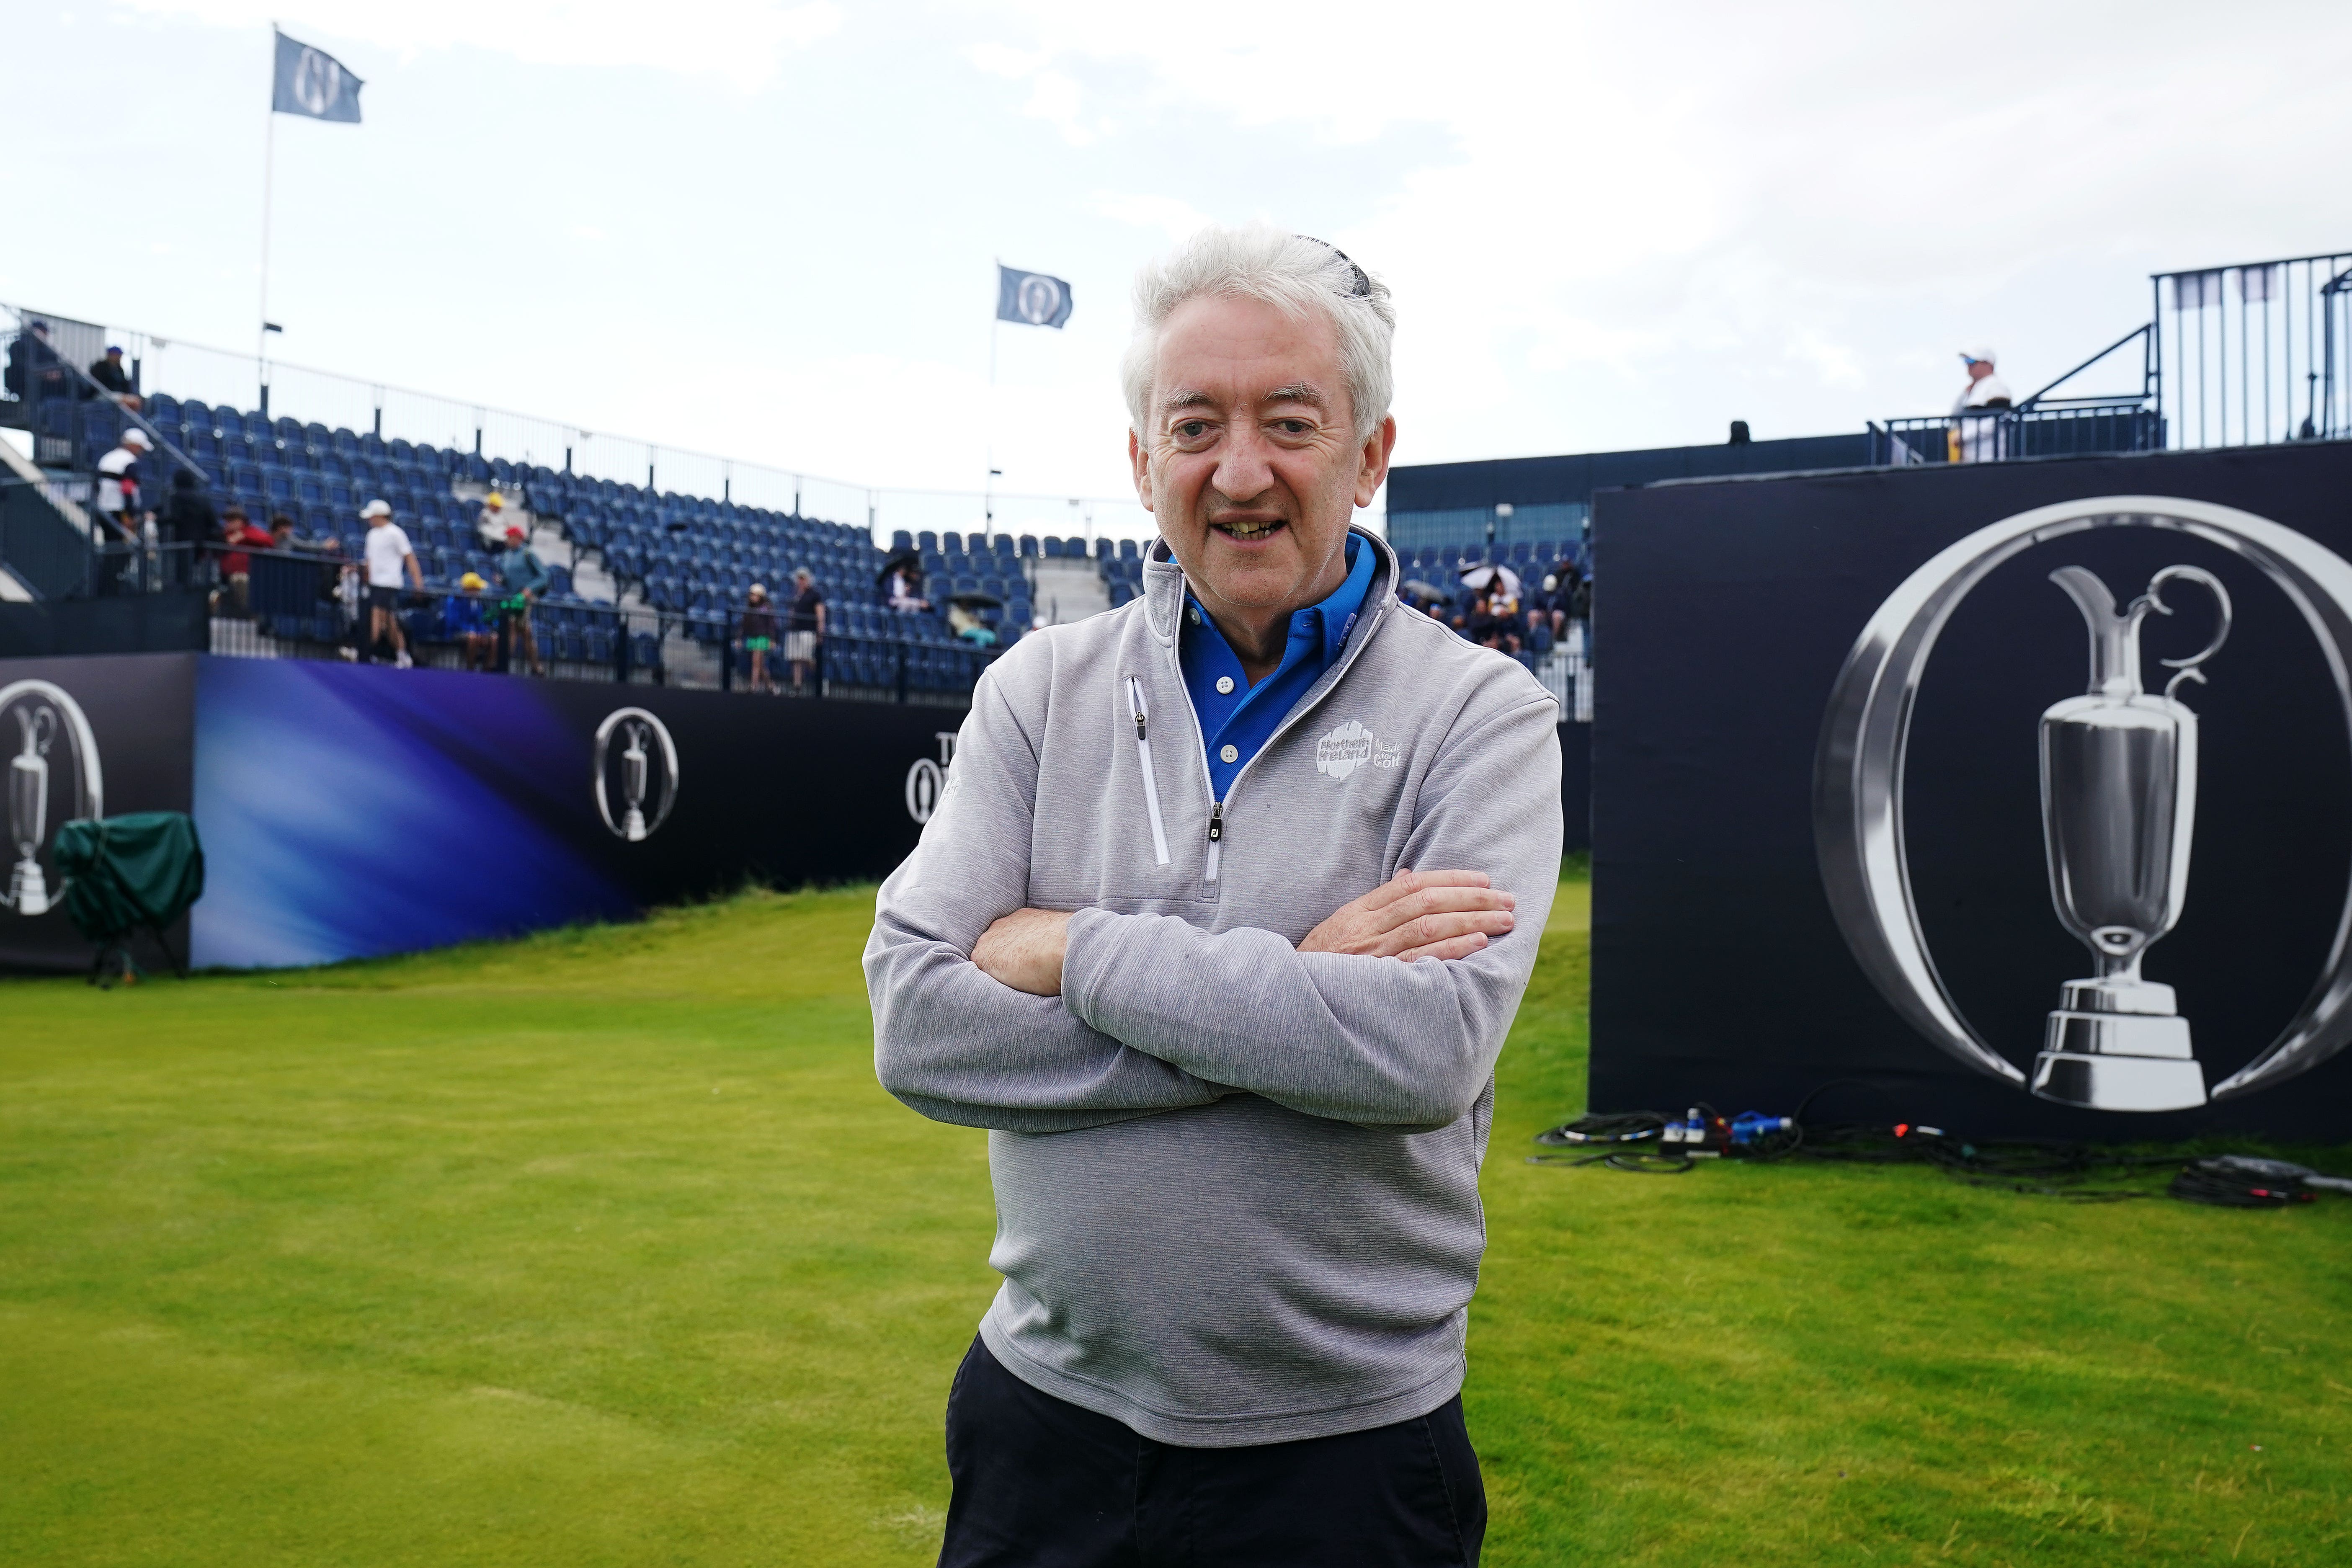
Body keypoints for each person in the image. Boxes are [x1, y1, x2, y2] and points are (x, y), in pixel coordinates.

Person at [868, 225, 1560, 1567]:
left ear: (1370, 454)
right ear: (1144, 463)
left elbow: (1425, 1053)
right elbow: (917, 1023)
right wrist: (1296, 991)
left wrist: (1074, 951)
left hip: (1345, 1460)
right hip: (1041, 1430)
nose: (1240, 472)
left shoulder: (1481, 714)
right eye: (1195, 427)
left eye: (1290, 423)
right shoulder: (1036, 691)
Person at [361, 499, 424, 667]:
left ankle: (368, 653)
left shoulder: (396, 533)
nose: (370, 520)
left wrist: (418, 582)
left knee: (382, 619)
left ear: (380, 516)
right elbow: (370, 561)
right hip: (375, 585)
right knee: (387, 621)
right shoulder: (372, 535)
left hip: (389, 584)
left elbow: (409, 558)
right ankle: (398, 654)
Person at [495, 523, 550, 677]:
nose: (507, 540)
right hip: (512, 597)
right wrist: (502, 580)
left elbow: (544, 577)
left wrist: (530, 589)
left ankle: (503, 665)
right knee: (525, 632)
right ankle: (536, 667)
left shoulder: (528, 554)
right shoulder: (506, 556)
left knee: (511, 626)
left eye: (510, 537)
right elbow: (509, 578)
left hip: (524, 599)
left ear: (518, 538)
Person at [1952, 346, 2012, 464]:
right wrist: (1965, 393)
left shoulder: (1996, 386)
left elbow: (1997, 421)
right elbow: (1954, 416)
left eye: (1972, 361)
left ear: (1987, 364)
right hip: (1973, 460)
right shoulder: (1976, 389)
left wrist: (1963, 436)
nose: (1968, 365)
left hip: (1989, 460)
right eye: (1966, 361)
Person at [213, 504, 274, 617]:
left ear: (242, 521)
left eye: (233, 520)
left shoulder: (250, 531)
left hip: (252, 574)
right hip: (225, 576)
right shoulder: (223, 535)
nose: (229, 523)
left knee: (241, 579)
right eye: (228, 520)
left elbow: (269, 541)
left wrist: (244, 535)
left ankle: (250, 616)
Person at [92, 427, 151, 541]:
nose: (142, 452)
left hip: (103, 509)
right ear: (134, 445)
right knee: (120, 547)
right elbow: (127, 488)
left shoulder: (107, 458)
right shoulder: (130, 462)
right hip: (121, 513)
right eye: (141, 448)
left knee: (110, 544)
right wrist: (131, 514)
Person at [444, 571, 498, 671]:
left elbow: (481, 621)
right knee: (473, 637)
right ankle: (470, 669)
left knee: (494, 638)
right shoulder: (454, 600)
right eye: (477, 589)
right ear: (469, 590)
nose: (479, 591)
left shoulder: (478, 601)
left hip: (476, 632)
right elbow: (454, 622)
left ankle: (487, 670)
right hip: (457, 632)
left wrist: (483, 633)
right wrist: (472, 631)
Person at [784, 566, 825, 694]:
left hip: (808, 631)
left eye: (803, 578)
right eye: (799, 578)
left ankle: (820, 681)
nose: (801, 581)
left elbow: (820, 614)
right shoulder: (795, 594)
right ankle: (797, 686)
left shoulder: (815, 595)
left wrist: (820, 632)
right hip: (795, 631)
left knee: (808, 658)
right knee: (796, 659)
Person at [740, 583, 779, 692]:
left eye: (756, 595)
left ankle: (754, 686)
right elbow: (744, 625)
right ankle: (771, 686)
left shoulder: (766, 608)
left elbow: (771, 625)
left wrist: (772, 639)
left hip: (762, 638)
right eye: (752, 595)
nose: (753, 597)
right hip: (753, 637)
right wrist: (739, 637)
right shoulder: (749, 610)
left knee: (756, 662)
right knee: (761, 665)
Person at [88, 346, 142, 410]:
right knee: (131, 402)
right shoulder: (100, 367)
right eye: (117, 355)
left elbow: (125, 385)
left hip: (118, 394)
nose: (119, 357)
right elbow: (99, 386)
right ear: (111, 355)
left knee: (136, 400)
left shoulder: (119, 369)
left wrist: (127, 395)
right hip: (103, 394)